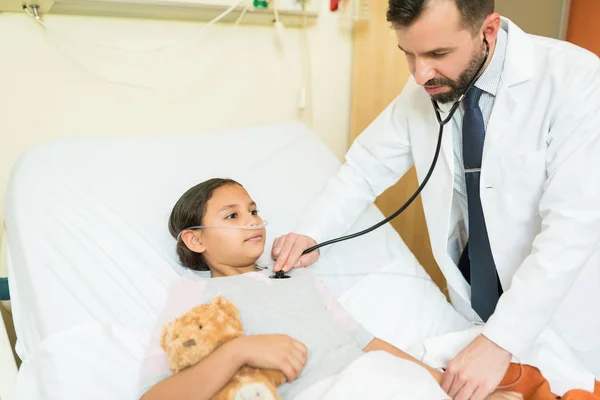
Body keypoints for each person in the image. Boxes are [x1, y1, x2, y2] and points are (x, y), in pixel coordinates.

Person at [269, 0, 600, 399]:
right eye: (408, 54)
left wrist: (501, 339)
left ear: (488, 31)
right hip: (475, 304)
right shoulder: (428, 88)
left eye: (437, 54)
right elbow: (364, 169)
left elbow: (573, 226)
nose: (420, 73)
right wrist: (310, 233)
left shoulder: (575, 79)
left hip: (564, 306)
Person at [138, 178, 527, 400]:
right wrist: (238, 351)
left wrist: (452, 391)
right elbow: (156, 396)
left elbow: (366, 342)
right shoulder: (194, 297)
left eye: (254, 211)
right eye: (232, 216)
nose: (253, 222)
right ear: (195, 240)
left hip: (378, 379)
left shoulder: (295, 275)